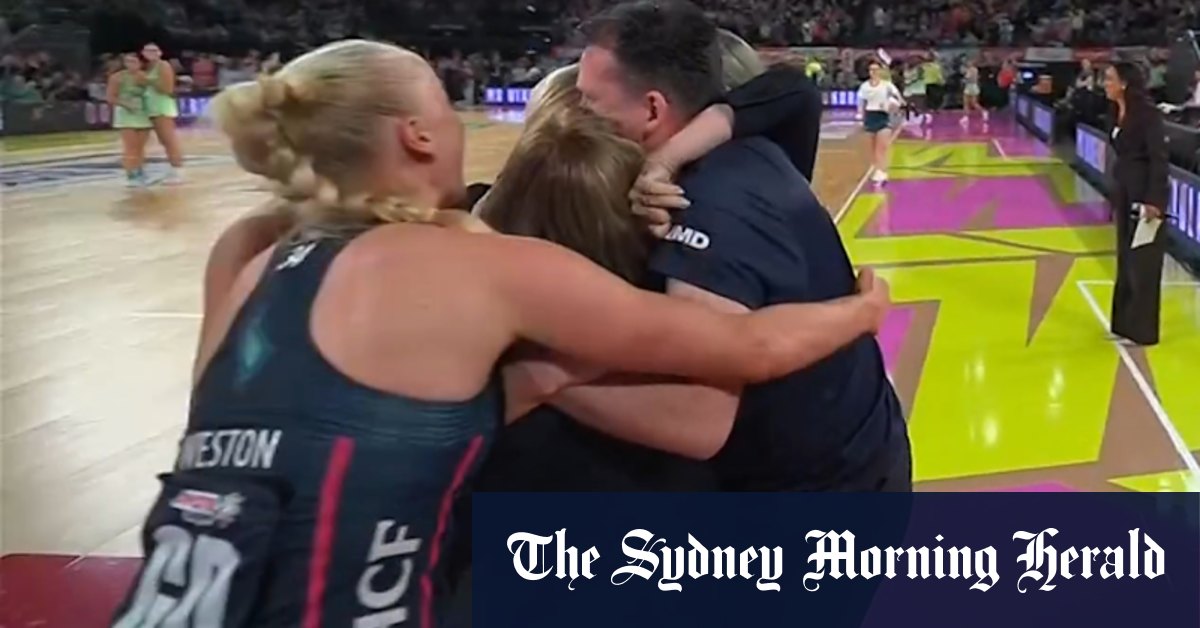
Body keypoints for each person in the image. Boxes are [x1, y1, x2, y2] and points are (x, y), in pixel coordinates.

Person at [110, 40, 890, 627]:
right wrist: (860, 309)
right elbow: (744, 358)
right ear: (418, 136)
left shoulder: (247, 250)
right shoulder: (487, 273)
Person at [575, 0, 911, 492]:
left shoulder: (704, 203)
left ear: (653, 108)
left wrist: (539, 381)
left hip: (819, 499)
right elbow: (794, 91)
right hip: (864, 449)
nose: (578, 114)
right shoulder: (757, 148)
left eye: (588, 100)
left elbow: (699, 418)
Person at [1104, 62, 1170, 346]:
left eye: (1109, 79)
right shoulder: (1114, 111)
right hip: (1124, 192)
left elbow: (1159, 158)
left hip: (1145, 195)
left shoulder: (1148, 114)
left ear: (1125, 83)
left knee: (1144, 263)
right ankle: (1123, 324)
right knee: (1125, 258)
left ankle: (1143, 331)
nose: (1105, 83)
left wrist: (1155, 200)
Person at [107, 52, 153, 188]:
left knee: (140, 147)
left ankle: (140, 171)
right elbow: (110, 97)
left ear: (140, 63)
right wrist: (125, 104)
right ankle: (131, 175)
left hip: (143, 113)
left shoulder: (146, 77)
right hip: (126, 113)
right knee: (130, 147)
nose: (130, 65)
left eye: (133, 62)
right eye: (127, 62)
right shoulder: (117, 77)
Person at [142, 43, 185, 183]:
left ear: (160, 52)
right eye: (148, 51)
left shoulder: (164, 66)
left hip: (162, 107)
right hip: (150, 107)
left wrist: (147, 81)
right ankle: (170, 169)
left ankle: (177, 170)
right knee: (161, 140)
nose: (151, 53)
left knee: (168, 140)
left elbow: (167, 88)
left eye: (154, 50)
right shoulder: (148, 67)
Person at [856, 60, 904, 184]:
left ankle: (882, 171)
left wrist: (893, 106)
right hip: (870, 116)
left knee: (882, 147)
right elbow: (861, 102)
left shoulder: (887, 85)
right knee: (873, 148)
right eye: (871, 70)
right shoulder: (864, 87)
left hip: (883, 116)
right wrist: (860, 116)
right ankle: (877, 169)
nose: (874, 72)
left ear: (881, 71)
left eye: (876, 69)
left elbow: (900, 100)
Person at [960, 60, 986, 125]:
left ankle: (983, 111)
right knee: (966, 103)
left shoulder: (972, 70)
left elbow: (968, 78)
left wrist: (965, 74)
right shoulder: (973, 70)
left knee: (973, 103)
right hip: (971, 87)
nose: (968, 63)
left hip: (971, 87)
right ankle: (966, 117)